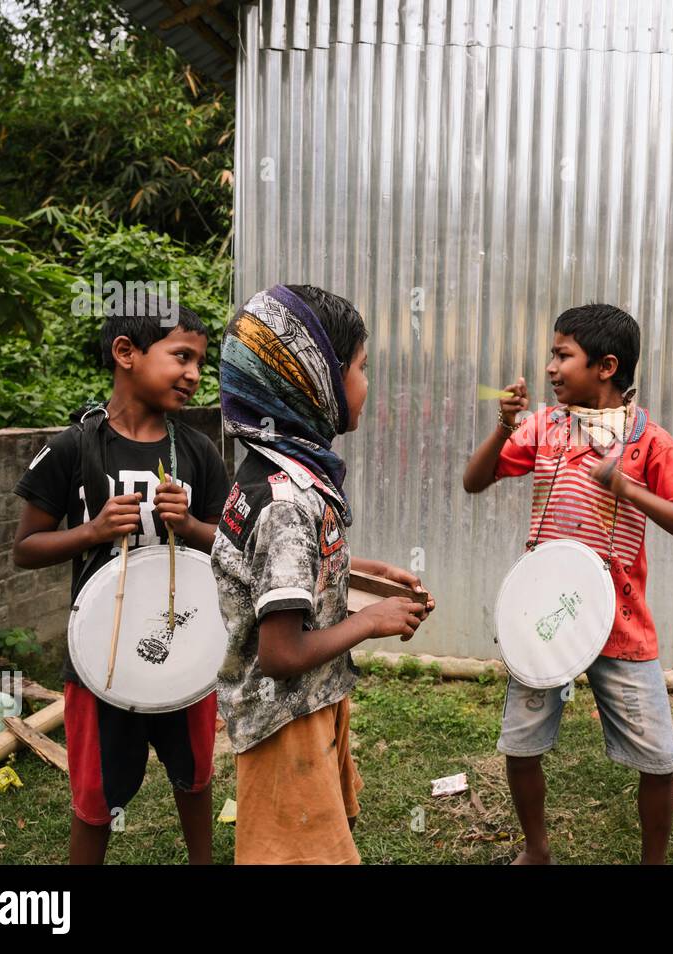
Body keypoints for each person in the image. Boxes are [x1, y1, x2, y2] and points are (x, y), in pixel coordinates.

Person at [463, 303, 673, 864]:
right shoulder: (545, 427)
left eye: (562, 354)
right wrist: (503, 425)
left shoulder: (649, 442)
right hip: (544, 618)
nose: (550, 367)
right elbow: (473, 481)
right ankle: (537, 849)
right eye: (553, 353)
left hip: (621, 623)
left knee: (659, 759)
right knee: (520, 747)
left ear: (606, 366)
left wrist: (627, 487)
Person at [211, 284, 434, 864]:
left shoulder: (270, 468)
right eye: (361, 368)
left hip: (312, 704)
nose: (366, 384)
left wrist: (359, 570)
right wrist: (372, 621)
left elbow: (274, 573)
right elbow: (281, 654)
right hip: (287, 722)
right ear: (315, 381)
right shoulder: (288, 501)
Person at [12, 301, 229, 864]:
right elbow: (25, 548)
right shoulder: (73, 448)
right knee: (95, 799)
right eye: (182, 356)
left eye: (202, 362)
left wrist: (192, 525)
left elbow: (229, 547)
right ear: (126, 353)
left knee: (196, 778)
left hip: (188, 647)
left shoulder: (200, 452)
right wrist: (93, 530)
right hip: (98, 661)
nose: (195, 374)